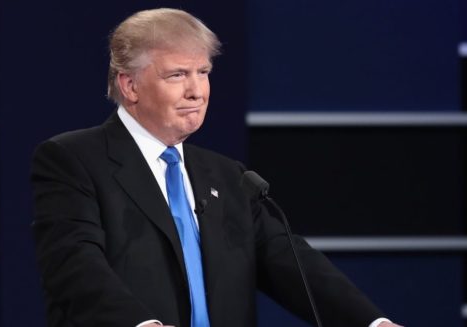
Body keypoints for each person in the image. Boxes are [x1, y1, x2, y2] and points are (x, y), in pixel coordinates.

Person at [30, 8, 403, 327]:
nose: (197, 91)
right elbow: (74, 265)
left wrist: (372, 322)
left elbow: (289, 261)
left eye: (203, 72)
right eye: (177, 75)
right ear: (130, 86)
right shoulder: (73, 159)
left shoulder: (227, 176)